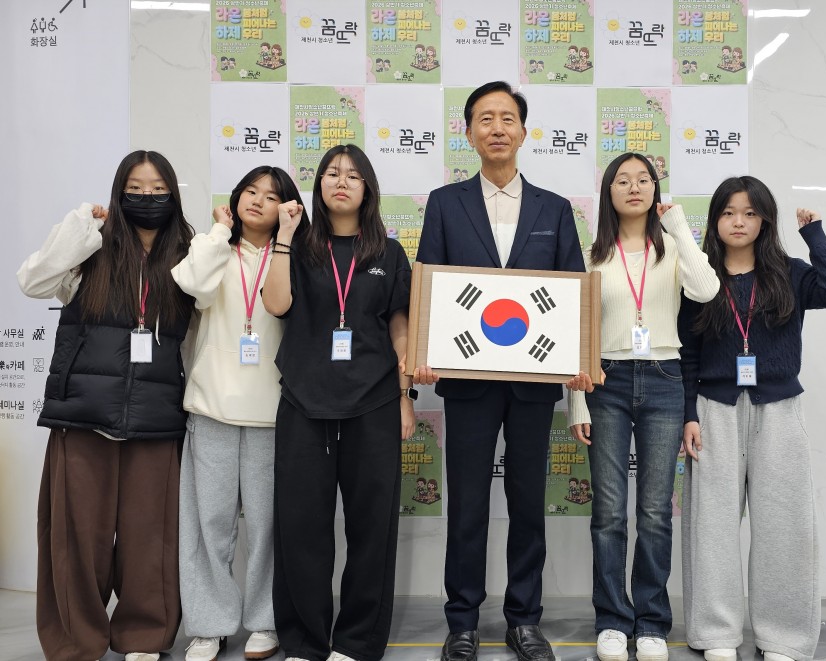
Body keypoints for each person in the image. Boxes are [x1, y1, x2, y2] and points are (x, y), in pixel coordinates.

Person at [414, 81, 585, 661]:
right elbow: (429, 286)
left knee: (528, 505)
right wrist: (424, 355)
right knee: (466, 506)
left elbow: (572, 293)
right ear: (469, 133)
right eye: (484, 118)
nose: (497, 128)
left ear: (523, 131)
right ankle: (462, 622)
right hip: (467, 383)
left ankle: (524, 620)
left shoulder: (554, 209)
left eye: (507, 118)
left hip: (534, 383)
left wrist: (576, 366)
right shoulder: (445, 203)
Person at [18, 150, 194, 661]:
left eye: (157, 188)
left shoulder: (187, 254)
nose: (147, 197)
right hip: (83, 415)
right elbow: (33, 282)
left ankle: (145, 635)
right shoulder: (90, 247)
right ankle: (76, 640)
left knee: (151, 536)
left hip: (157, 417)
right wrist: (79, 228)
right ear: (118, 193)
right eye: (135, 189)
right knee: (76, 537)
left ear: (173, 194)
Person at [677, 177, 826, 661]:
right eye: (728, 212)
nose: (739, 222)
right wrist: (688, 415)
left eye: (750, 213)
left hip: (778, 409)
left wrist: (814, 234)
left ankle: (784, 636)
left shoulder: (789, 274)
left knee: (785, 524)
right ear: (715, 220)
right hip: (713, 411)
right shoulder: (699, 277)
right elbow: (687, 355)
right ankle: (716, 632)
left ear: (765, 221)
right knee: (711, 526)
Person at [261, 144, 414, 661]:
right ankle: (304, 642)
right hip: (304, 402)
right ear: (319, 184)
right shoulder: (299, 245)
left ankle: (356, 642)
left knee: (372, 529)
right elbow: (276, 304)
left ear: (368, 188)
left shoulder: (388, 253)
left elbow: (399, 326)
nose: (341, 182)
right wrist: (284, 237)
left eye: (352, 175)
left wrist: (404, 396)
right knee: (301, 528)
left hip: (373, 402)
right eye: (331, 173)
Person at [567, 152, 719, 661]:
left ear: (655, 189)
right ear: (608, 192)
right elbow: (578, 332)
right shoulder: (591, 255)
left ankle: (652, 621)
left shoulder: (672, 248)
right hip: (605, 380)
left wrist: (677, 225)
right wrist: (577, 402)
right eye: (622, 180)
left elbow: (707, 289)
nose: (634, 187)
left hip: (663, 378)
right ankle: (613, 619)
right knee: (609, 512)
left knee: (655, 512)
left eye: (644, 179)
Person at [171, 166, 308, 661]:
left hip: (274, 412)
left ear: (286, 207)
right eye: (251, 191)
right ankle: (209, 625)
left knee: (270, 526)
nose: (258, 201)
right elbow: (191, 285)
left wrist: (287, 239)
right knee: (208, 524)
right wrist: (218, 231)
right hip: (212, 407)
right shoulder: (213, 249)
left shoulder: (292, 255)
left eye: (271, 196)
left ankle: (266, 620)